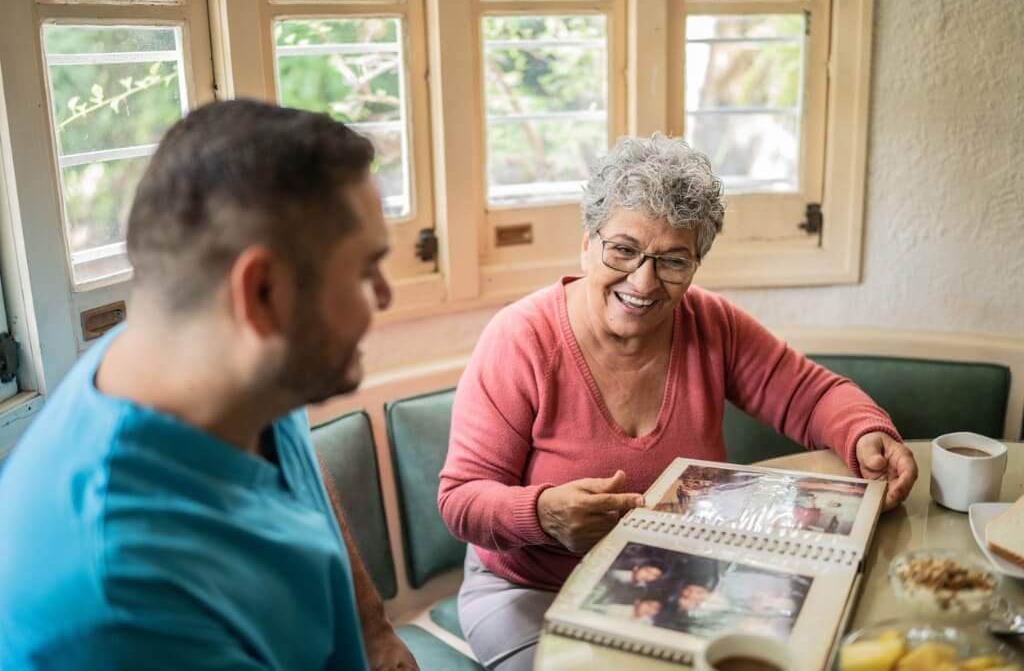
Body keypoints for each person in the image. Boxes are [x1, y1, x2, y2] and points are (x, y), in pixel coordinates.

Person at [438, 134, 918, 670]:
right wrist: (544, 514)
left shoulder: (713, 325)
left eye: (673, 261)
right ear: (586, 243)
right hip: (535, 593)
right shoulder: (521, 339)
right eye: (623, 249)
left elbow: (811, 395)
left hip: (685, 579)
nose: (643, 281)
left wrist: (862, 430)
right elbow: (461, 499)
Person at [0, 101, 416, 670]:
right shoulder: (121, 597)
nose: (385, 295)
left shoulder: (222, 364)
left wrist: (371, 628)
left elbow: (297, 472)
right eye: (367, 269)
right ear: (263, 294)